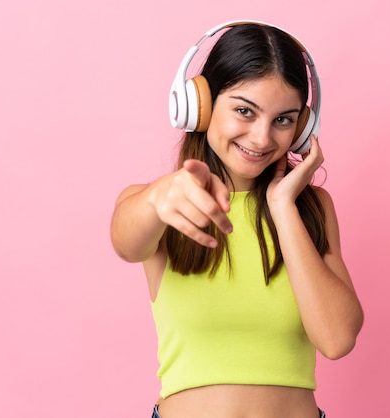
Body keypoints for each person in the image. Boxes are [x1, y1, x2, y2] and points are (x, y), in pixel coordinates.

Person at [110, 20, 364, 418]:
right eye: (245, 111)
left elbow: (336, 338)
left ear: (302, 127)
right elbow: (126, 242)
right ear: (201, 105)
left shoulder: (312, 210)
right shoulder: (164, 202)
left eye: (283, 119)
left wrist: (283, 208)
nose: (263, 138)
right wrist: (158, 199)